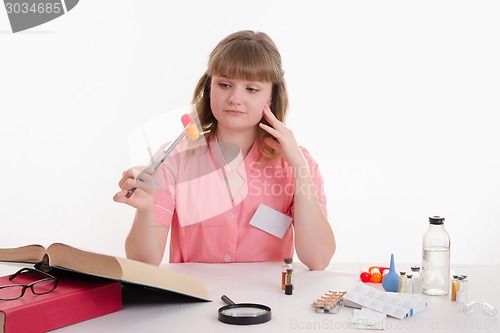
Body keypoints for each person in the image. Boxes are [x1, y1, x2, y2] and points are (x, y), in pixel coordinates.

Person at [113, 30, 335, 270]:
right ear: (210, 87)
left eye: (251, 89)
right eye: (225, 84)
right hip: (195, 301)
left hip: (270, 302)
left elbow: (318, 259)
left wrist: (300, 169)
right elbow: (142, 263)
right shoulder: (174, 159)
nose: (234, 98)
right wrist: (147, 210)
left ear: (271, 96)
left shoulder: (298, 164)